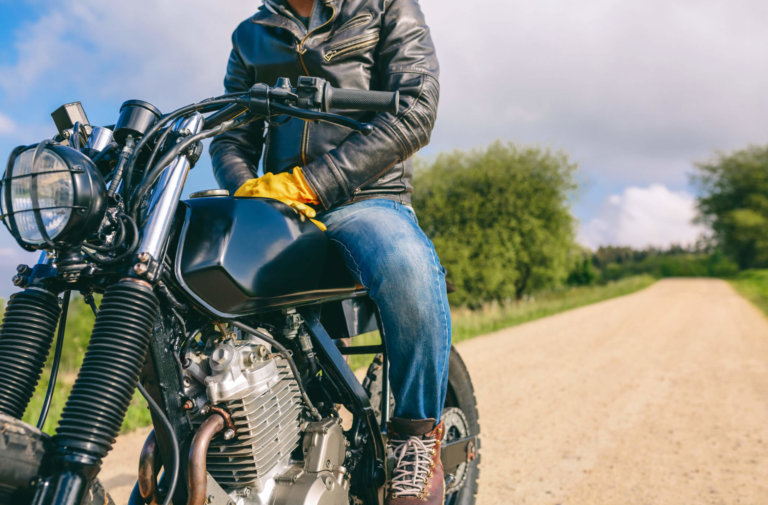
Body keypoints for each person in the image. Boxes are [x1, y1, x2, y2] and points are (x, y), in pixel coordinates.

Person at [209, 0, 448, 503]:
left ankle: (416, 440)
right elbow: (230, 133)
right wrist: (247, 190)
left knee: (406, 263)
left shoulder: (385, 7)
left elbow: (416, 109)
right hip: (277, 207)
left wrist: (313, 184)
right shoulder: (250, 33)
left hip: (364, 199)